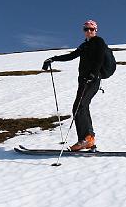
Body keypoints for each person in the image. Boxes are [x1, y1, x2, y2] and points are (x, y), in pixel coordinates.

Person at [43, 19, 108, 151]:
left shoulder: (98, 41)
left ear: (96, 30)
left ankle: (87, 139)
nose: (88, 31)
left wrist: (93, 74)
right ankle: (87, 140)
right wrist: (53, 59)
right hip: (84, 80)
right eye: (86, 29)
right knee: (79, 107)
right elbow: (71, 56)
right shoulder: (84, 46)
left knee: (80, 106)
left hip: (93, 80)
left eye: (91, 29)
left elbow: (100, 59)